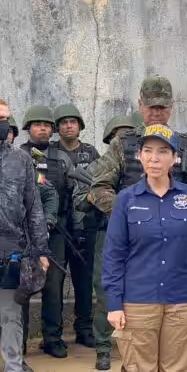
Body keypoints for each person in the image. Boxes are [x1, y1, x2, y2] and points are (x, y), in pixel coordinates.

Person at [102, 124, 187, 372]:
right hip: (138, 303)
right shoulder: (126, 199)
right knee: (139, 367)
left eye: (163, 151)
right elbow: (113, 255)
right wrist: (113, 303)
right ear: (139, 156)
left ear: (175, 158)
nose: (155, 158)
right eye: (148, 150)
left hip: (182, 301)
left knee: (176, 368)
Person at [88, 75, 187, 215]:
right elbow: (99, 188)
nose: (156, 113)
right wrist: (127, 210)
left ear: (171, 106)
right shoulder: (121, 143)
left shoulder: (185, 144)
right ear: (140, 104)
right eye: (151, 107)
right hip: (132, 227)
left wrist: (182, 213)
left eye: (162, 107)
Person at [72, 114, 134, 370]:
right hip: (107, 235)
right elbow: (78, 200)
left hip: (138, 238)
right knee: (106, 292)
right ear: (110, 140)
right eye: (118, 134)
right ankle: (103, 348)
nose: (122, 138)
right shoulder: (98, 166)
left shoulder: (141, 165)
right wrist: (94, 197)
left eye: (127, 134)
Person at [19, 105, 77, 358]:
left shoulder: (61, 157)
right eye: (37, 124)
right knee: (20, 287)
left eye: (46, 125)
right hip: (22, 234)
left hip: (56, 231)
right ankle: (18, 341)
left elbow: (75, 189)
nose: (42, 128)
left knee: (53, 287)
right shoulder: (17, 155)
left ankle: (52, 338)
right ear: (28, 128)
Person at [0, 100, 50, 372]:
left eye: (6, 118)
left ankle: (13, 366)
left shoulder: (21, 160)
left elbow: (34, 209)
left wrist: (41, 250)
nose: (3, 124)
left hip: (10, 250)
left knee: (10, 314)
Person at [48, 103, 100, 349]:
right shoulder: (48, 153)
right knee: (54, 283)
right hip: (57, 227)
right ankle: (52, 335)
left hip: (85, 226)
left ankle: (84, 329)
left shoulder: (91, 153)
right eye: (64, 122)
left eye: (73, 121)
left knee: (84, 281)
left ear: (80, 126)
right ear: (57, 127)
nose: (69, 125)